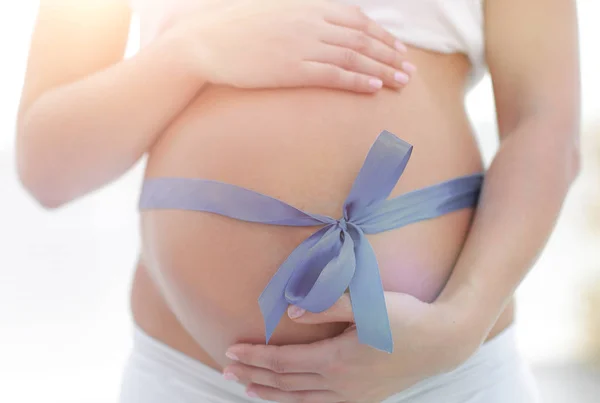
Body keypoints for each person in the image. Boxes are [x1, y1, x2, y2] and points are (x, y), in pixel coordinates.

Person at [16, 0, 580, 402]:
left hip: (443, 375)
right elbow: (48, 168)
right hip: (194, 379)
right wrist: (190, 50)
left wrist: (460, 325)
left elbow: (546, 124)